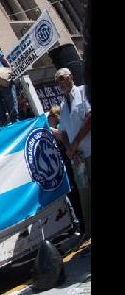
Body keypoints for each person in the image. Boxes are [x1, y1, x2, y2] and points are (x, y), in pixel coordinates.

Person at [55, 68, 91, 240]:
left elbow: (90, 117)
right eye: (57, 80)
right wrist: (70, 149)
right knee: (85, 196)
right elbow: (63, 133)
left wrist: (75, 143)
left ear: (71, 77)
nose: (60, 82)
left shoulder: (84, 91)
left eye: (62, 78)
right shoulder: (62, 105)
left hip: (90, 151)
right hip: (78, 159)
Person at [47, 105, 84, 237]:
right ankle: (82, 224)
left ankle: (83, 225)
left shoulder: (61, 128)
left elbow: (61, 136)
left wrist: (48, 127)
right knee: (73, 196)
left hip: (71, 164)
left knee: (77, 196)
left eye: (50, 117)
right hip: (65, 167)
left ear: (54, 117)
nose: (48, 120)